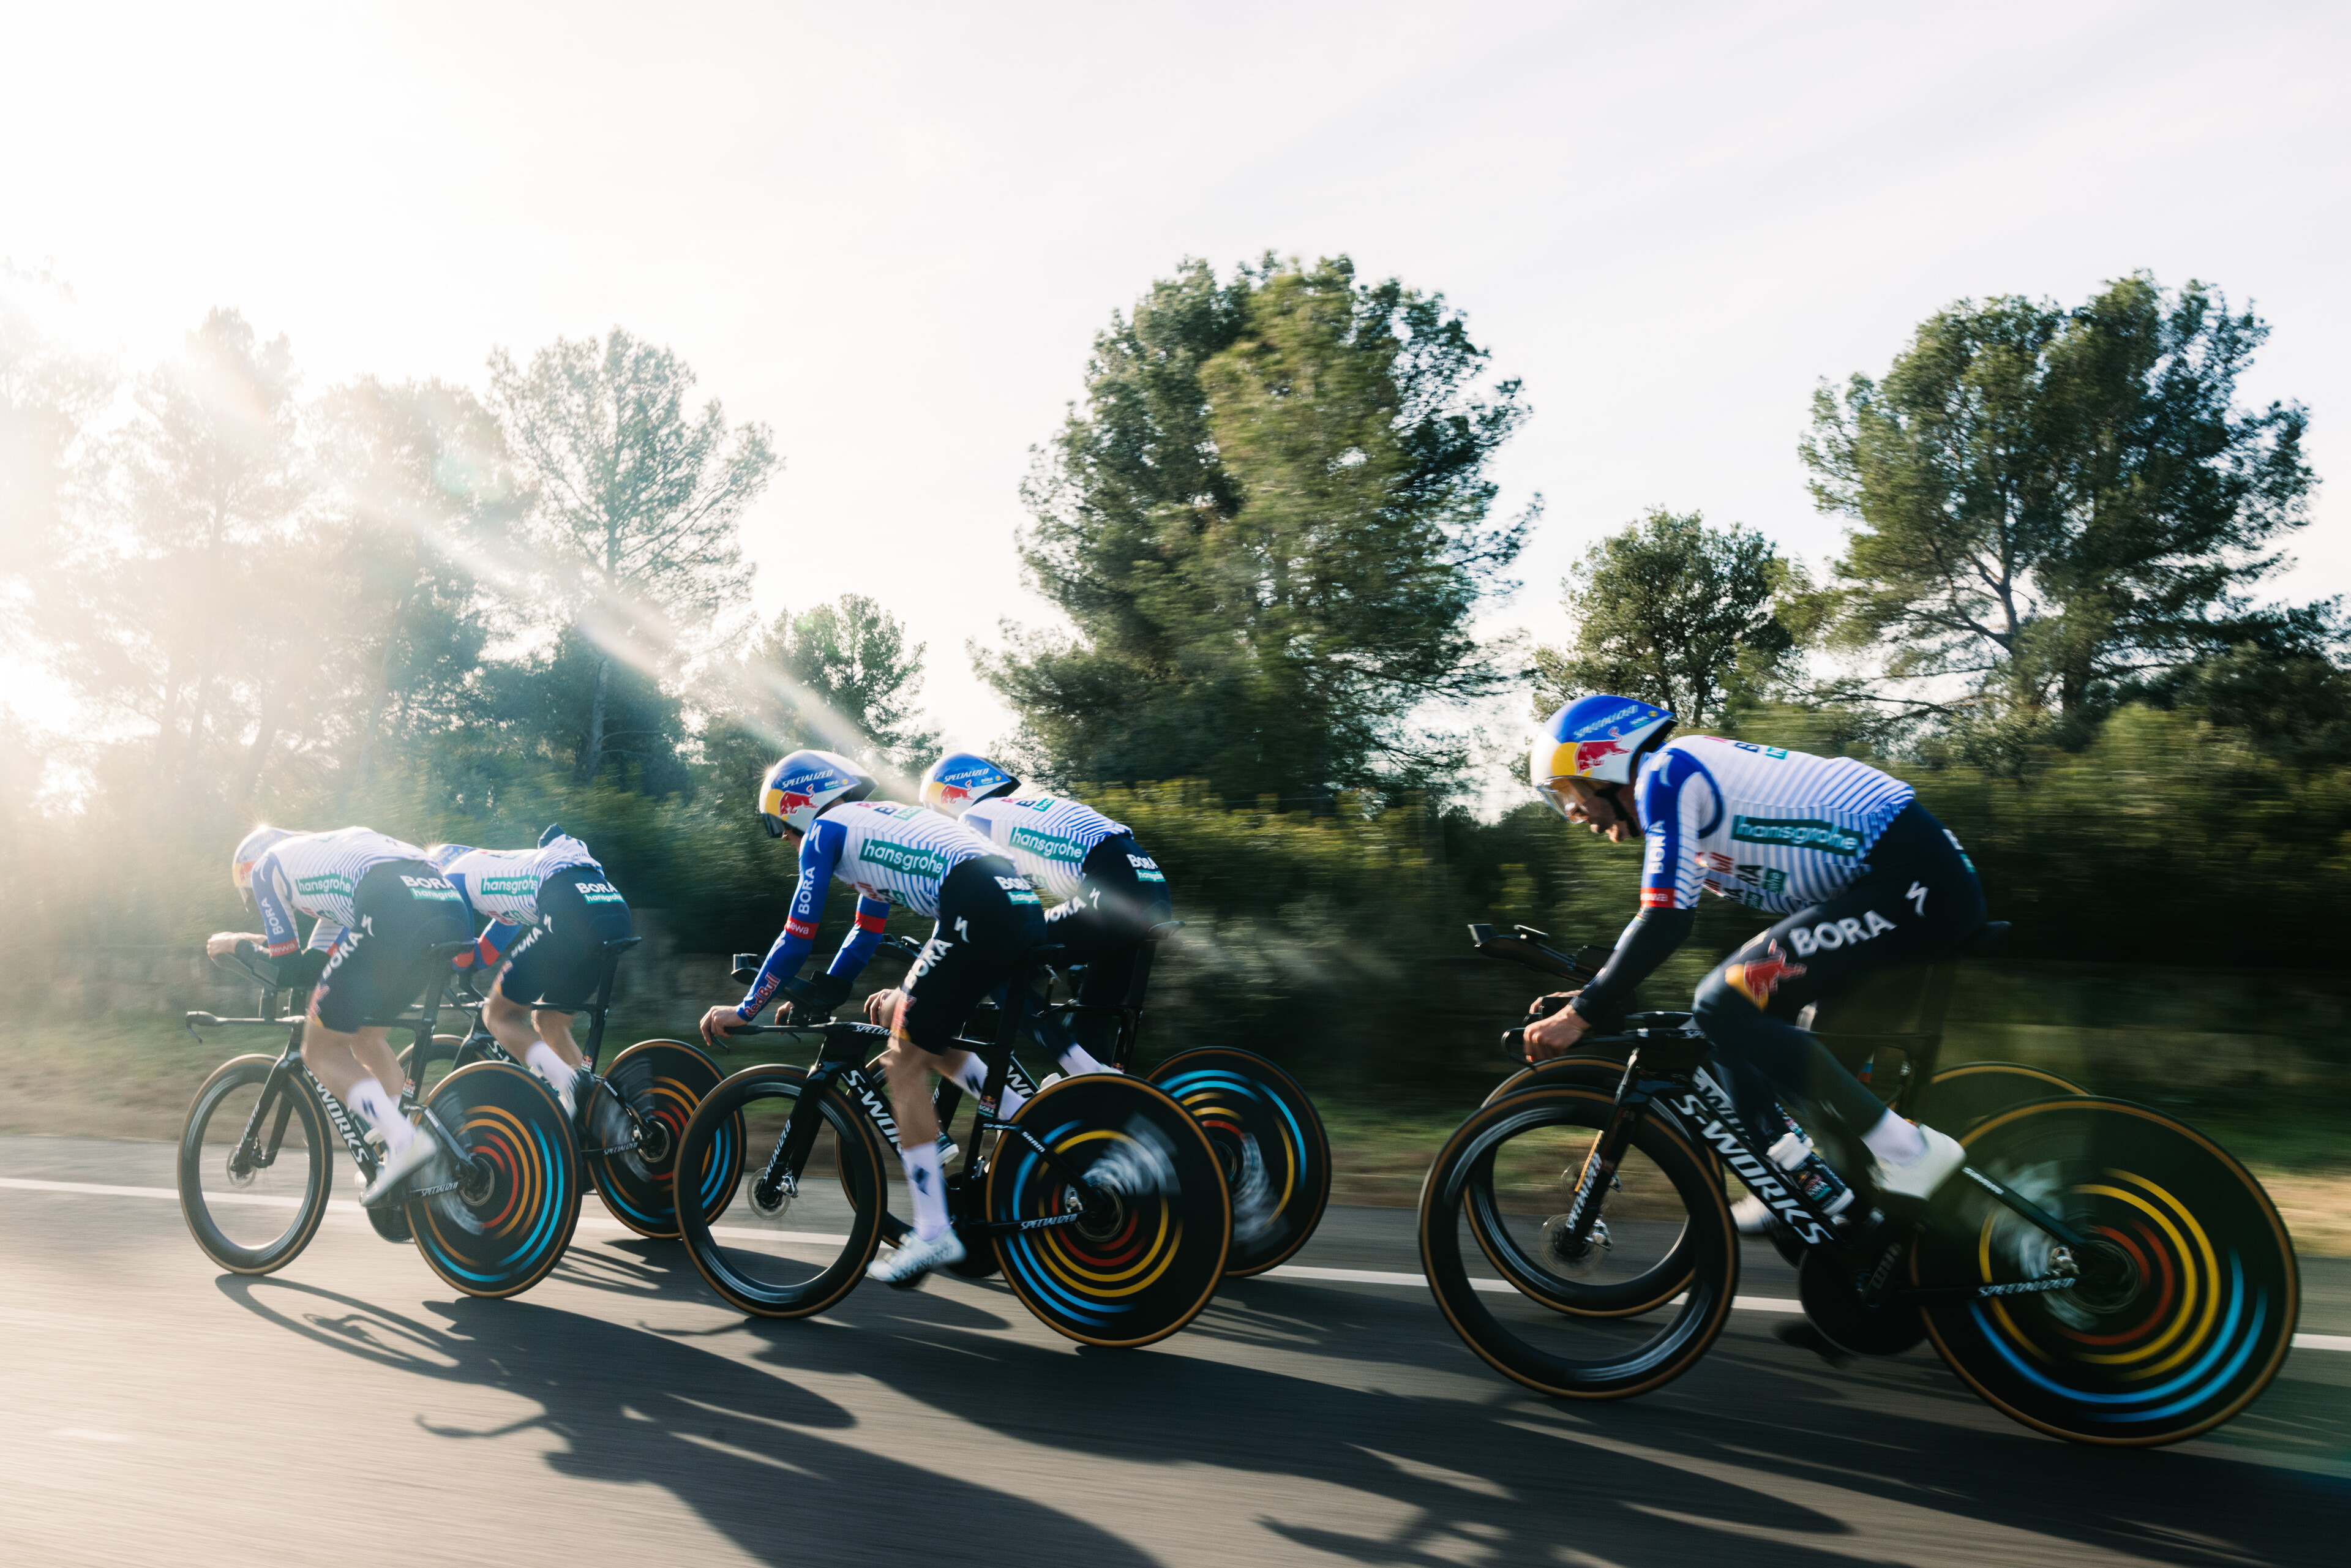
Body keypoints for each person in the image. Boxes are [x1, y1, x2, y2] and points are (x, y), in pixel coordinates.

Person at [1521, 694, 1983, 1213]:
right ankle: (1816, 1187)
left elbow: (1664, 919)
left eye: (1570, 793)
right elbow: (1665, 925)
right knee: (1766, 1035)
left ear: (1602, 764)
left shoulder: (1666, 775)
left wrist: (1580, 1011)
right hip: (1899, 885)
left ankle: (1909, 1151)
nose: (1575, 813)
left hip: (1912, 879)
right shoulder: (1680, 798)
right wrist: (1594, 992)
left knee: (1721, 1002)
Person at [696, 749, 1046, 1283]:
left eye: (780, 827)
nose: (786, 840)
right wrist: (826, 991)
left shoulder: (825, 831)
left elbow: (798, 932)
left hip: (976, 903)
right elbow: (865, 931)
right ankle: (1037, 1120)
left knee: (903, 1060)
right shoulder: (873, 823)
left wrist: (747, 1009)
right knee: (921, 1035)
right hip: (1016, 904)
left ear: (798, 806)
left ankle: (933, 1232)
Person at [208, 825, 471, 1204]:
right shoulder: (326, 871)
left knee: (321, 1050)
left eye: (251, 898)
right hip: (446, 905)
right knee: (365, 1035)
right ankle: (406, 1155)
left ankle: (404, 1140)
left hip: (392, 902)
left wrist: (237, 944)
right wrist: (259, 946)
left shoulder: (267, 867)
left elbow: (285, 972)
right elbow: (313, 968)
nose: (256, 902)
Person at [903, 751, 1170, 1071]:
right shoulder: (1016, 811)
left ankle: (1080, 1067)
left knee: (997, 963)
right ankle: (1102, 1093)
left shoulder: (974, 821)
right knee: (1090, 1016)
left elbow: (974, 904)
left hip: (1114, 889)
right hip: (1150, 885)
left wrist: (933, 958)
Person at [427, 825, 632, 1117]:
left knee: (498, 1015)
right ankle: (597, 1116)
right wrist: (467, 962)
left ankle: (569, 1085)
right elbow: (485, 952)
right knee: (549, 1020)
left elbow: (458, 950)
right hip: (610, 908)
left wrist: (444, 964)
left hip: (566, 906)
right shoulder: (495, 876)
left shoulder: (450, 877)